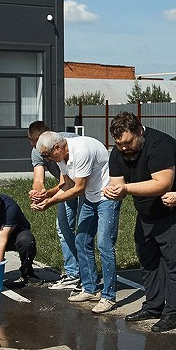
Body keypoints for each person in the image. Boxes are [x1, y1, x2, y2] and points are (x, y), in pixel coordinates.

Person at [104, 111, 176, 332]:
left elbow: (163, 184)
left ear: (139, 131)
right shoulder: (118, 153)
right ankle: (154, 305)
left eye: (128, 142)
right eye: (119, 144)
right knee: (148, 256)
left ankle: (173, 312)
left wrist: (126, 189)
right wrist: (114, 191)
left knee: (175, 259)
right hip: (149, 211)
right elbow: (117, 183)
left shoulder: (159, 145)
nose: (124, 148)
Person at [32, 131, 120, 314]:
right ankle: (90, 289)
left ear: (57, 147)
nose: (48, 160)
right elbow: (66, 184)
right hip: (91, 196)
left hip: (107, 196)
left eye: (48, 156)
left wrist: (50, 202)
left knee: (104, 244)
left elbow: (79, 188)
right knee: (82, 239)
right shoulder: (62, 156)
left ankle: (109, 296)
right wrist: (45, 195)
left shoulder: (81, 151)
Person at [28, 119, 80, 291]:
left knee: (84, 229)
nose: (43, 155)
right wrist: (38, 191)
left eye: (46, 153)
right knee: (63, 227)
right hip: (67, 186)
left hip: (82, 184)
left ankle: (79, 273)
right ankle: (74, 272)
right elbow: (38, 179)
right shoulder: (37, 150)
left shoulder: (67, 142)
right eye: (40, 151)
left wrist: (48, 197)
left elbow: (67, 182)